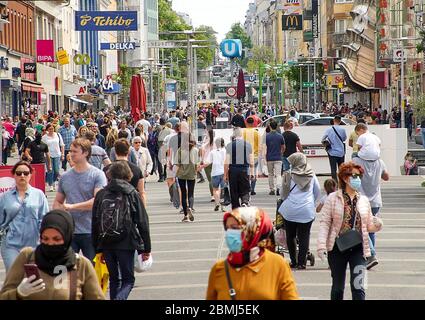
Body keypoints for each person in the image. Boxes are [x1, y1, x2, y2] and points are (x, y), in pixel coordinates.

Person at [0, 209, 105, 300]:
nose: (50, 243)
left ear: (67, 237)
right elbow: (3, 296)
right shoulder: (27, 257)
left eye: (57, 239)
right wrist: (18, 293)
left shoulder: (81, 264)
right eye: (45, 239)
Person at [317, 162, 383, 300]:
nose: (357, 179)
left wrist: (377, 225)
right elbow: (325, 223)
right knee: (337, 288)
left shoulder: (364, 200)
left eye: (359, 176)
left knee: (358, 287)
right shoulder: (333, 198)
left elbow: (369, 226)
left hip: (358, 249)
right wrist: (321, 246)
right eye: (354, 176)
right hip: (337, 249)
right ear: (345, 178)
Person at [206, 207, 299, 300]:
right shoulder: (219, 269)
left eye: (235, 228)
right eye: (228, 228)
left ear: (252, 229)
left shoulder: (277, 264)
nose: (230, 233)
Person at [92, 161, 151, 300]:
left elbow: (95, 221)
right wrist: (146, 248)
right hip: (126, 242)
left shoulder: (101, 194)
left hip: (106, 242)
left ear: (110, 175)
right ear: (128, 175)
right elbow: (142, 222)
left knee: (114, 279)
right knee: (128, 280)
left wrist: (97, 247)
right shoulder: (131, 193)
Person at [53, 138, 107, 262]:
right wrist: (57, 216)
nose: (71, 154)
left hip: (91, 230)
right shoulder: (65, 177)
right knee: (67, 268)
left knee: (92, 270)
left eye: (75, 151)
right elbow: (57, 202)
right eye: (70, 151)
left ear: (86, 153)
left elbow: (97, 202)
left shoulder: (97, 175)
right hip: (70, 231)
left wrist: (71, 207)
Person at [0, 161, 49, 272]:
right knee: (14, 275)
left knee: (32, 277)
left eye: (26, 173)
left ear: (30, 175)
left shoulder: (39, 194)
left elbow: (44, 218)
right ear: (14, 175)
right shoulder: (5, 197)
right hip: (10, 244)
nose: (22, 175)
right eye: (19, 173)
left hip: (33, 244)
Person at [278, 153, 320, 269]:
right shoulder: (311, 175)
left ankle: (293, 261)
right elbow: (317, 192)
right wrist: (310, 202)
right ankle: (302, 263)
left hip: (290, 211)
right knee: (304, 236)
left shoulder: (288, 175)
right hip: (306, 210)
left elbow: (282, 194)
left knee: (290, 236)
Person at [353, 146, 389, 270]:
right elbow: (386, 177)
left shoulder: (357, 162)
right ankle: (369, 256)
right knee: (371, 228)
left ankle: (371, 255)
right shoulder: (380, 162)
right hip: (375, 201)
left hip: (361, 200)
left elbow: (351, 179)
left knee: (361, 227)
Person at [224, 128, 254, 209]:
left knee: (234, 191)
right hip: (244, 170)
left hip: (233, 171)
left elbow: (226, 161)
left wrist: (225, 175)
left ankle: (236, 209)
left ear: (234, 135)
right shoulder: (248, 145)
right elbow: (251, 161)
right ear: (241, 135)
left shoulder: (230, 145)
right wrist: (252, 172)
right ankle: (244, 202)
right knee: (245, 188)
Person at [175, 138, 200, 222]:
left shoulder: (180, 150)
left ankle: (185, 215)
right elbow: (197, 163)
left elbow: (177, 164)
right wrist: (196, 172)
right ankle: (190, 207)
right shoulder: (196, 150)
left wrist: (175, 174)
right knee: (191, 193)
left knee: (183, 193)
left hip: (181, 174)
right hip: (192, 174)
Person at [201, 137, 226, 212]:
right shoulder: (225, 151)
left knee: (215, 189)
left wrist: (200, 167)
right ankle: (222, 205)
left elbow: (208, 162)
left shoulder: (213, 152)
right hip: (223, 172)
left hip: (214, 173)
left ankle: (217, 203)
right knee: (222, 189)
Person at [322, 116, 347, 182]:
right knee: (341, 169)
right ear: (340, 121)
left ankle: (334, 183)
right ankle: (342, 183)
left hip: (332, 151)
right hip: (341, 152)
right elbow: (344, 139)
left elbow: (323, 139)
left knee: (333, 169)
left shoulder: (328, 130)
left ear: (334, 120)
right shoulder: (342, 130)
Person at [42, 123, 65, 192]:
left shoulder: (58, 135)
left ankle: (54, 181)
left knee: (56, 170)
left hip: (57, 154)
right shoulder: (44, 137)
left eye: (52, 129)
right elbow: (43, 147)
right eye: (49, 129)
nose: (51, 130)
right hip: (48, 155)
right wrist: (43, 155)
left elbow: (62, 145)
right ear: (47, 130)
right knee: (50, 170)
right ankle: (51, 184)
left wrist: (63, 154)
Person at [265, 120, 285, 196]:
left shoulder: (267, 136)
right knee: (278, 174)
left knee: (270, 174)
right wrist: (281, 153)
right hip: (278, 157)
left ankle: (272, 189)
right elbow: (283, 147)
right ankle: (278, 188)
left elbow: (264, 147)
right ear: (277, 126)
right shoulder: (280, 136)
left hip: (269, 157)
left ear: (270, 126)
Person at [243, 117, 261, 195]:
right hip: (255, 155)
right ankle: (252, 189)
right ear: (254, 123)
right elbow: (260, 145)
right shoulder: (257, 133)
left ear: (246, 123)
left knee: (246, 172)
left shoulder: (243, 132)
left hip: (245, 155)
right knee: (254, 171)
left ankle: (247, 188)